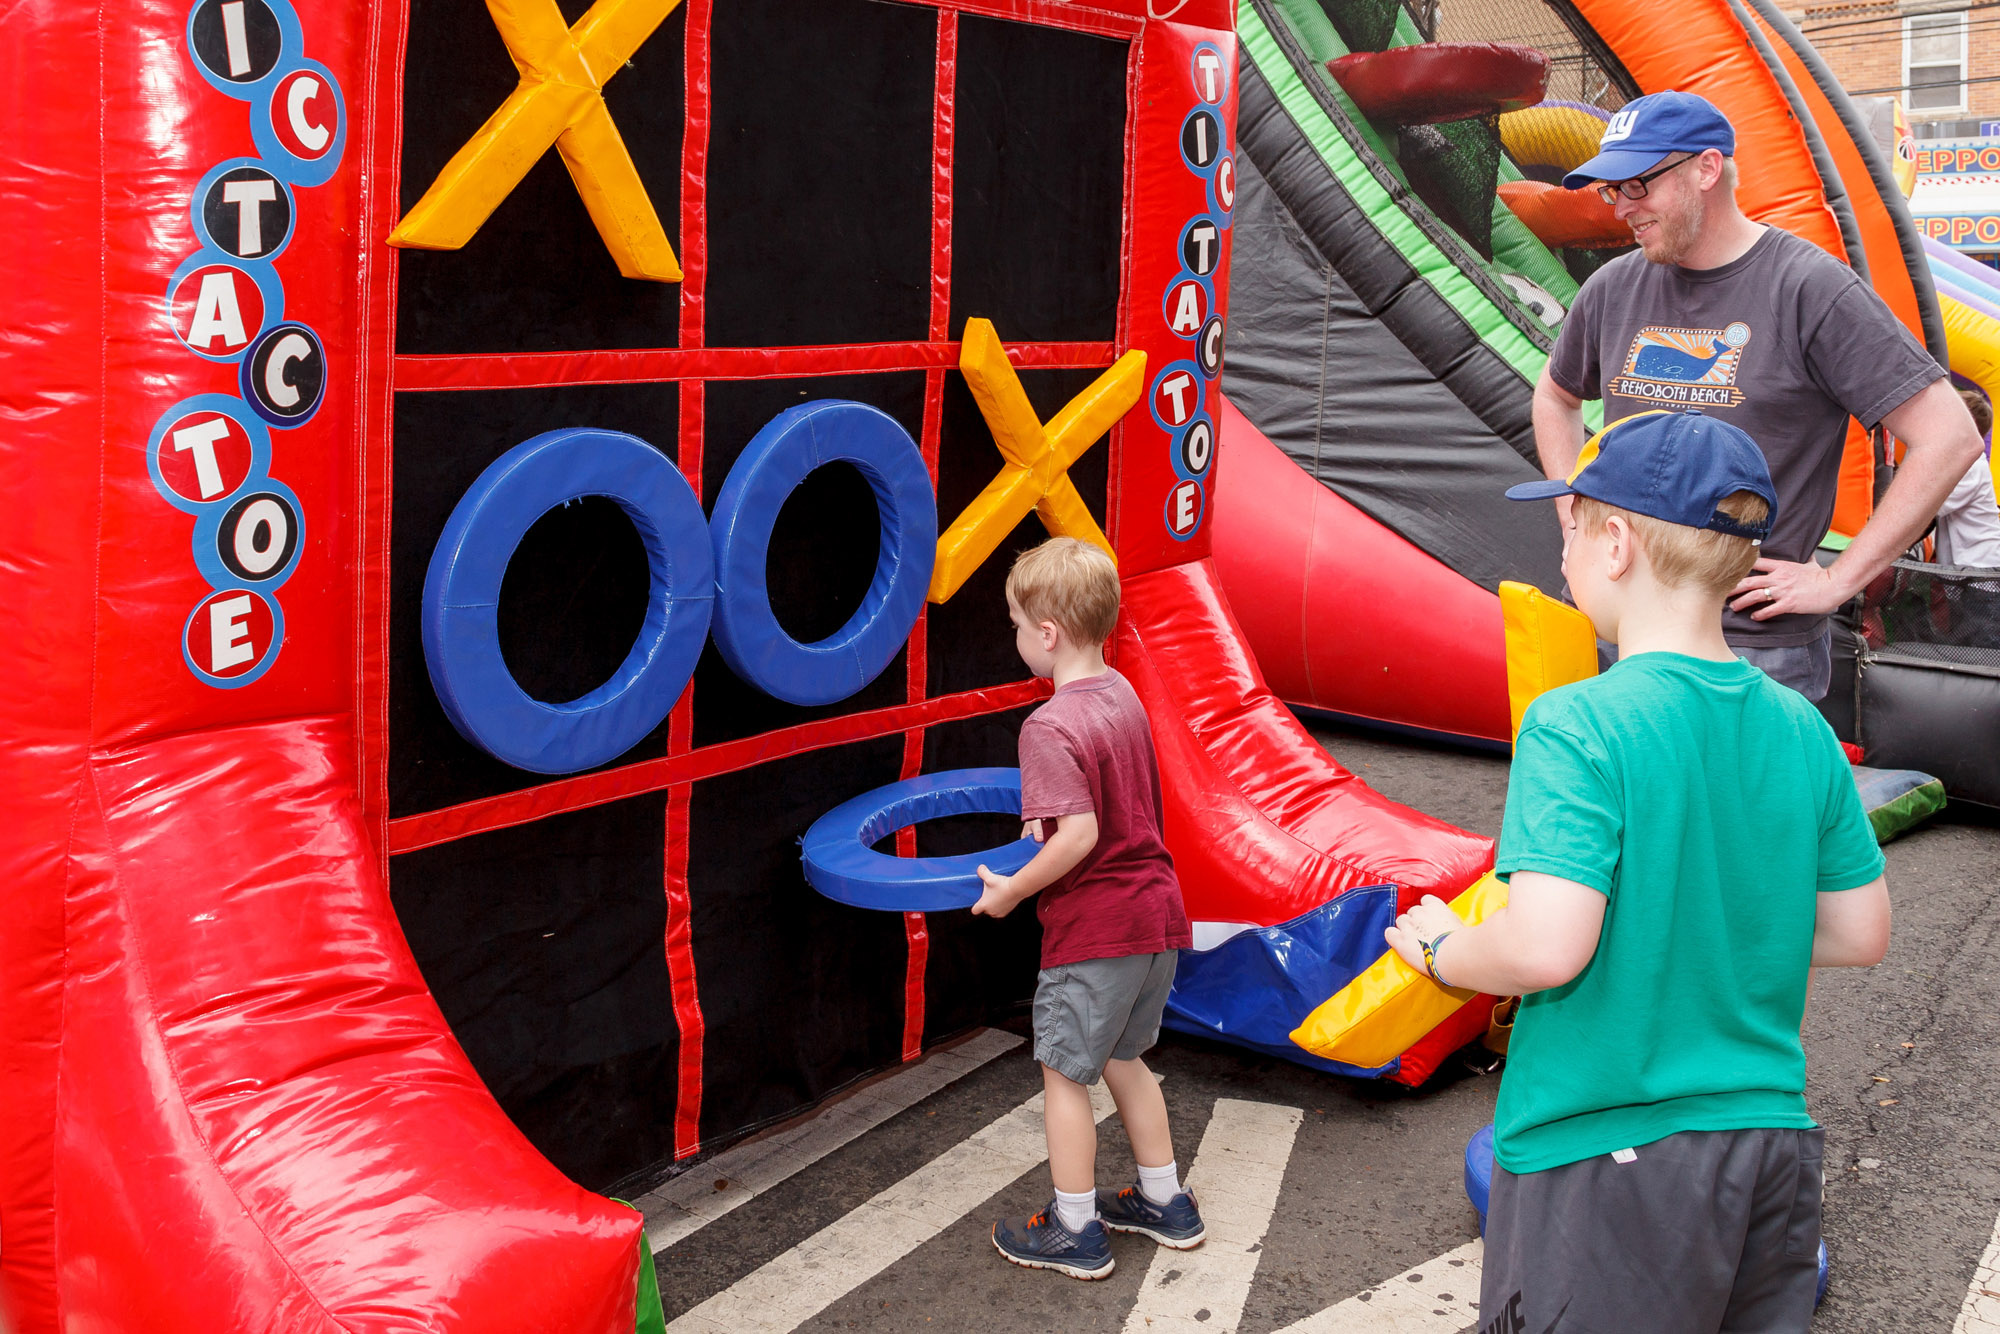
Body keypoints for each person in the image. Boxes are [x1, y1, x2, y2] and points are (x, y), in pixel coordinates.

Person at [1387, 409, 1892, 1333]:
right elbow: (1860, 932)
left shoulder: (1576, 722)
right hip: (1768, 1148)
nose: (1565, 551)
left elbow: (1545, 949)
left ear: (1616, 544)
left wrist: (1443, 952)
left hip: (1603, 1150)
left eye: (1572, 527)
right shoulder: (1801, 727)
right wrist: (1705, 927)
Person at [1534, 89, 1986, 699]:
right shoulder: (1612, 287)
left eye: (1637, 185)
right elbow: (1555, 397)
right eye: (1612, 190)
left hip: (1749, 647)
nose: (1621, 208)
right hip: (1615, 628)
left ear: (1706, 169)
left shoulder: (1809, 288)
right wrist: (1574, 521)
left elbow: (1949, 437)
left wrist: (1838, 580)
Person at [970, 537, 1201, 1280]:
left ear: (1047, 634)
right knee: (1126, 1060)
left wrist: (1012, 890)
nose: (1013, 636)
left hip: (1096, 930)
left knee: (1065, 1077)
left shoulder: (1047, 725)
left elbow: (1080, 835)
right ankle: (1165, 1201)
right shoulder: (1121, 691)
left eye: (1015, 624)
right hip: (1155, 916)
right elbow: (1109, 797)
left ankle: (1075, 1227)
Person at [1933, 388, 2000, 568]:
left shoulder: (1971, 465)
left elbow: (1933, 506)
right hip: (1967, 564)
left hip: (1981, 565)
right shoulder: (1961, 461)